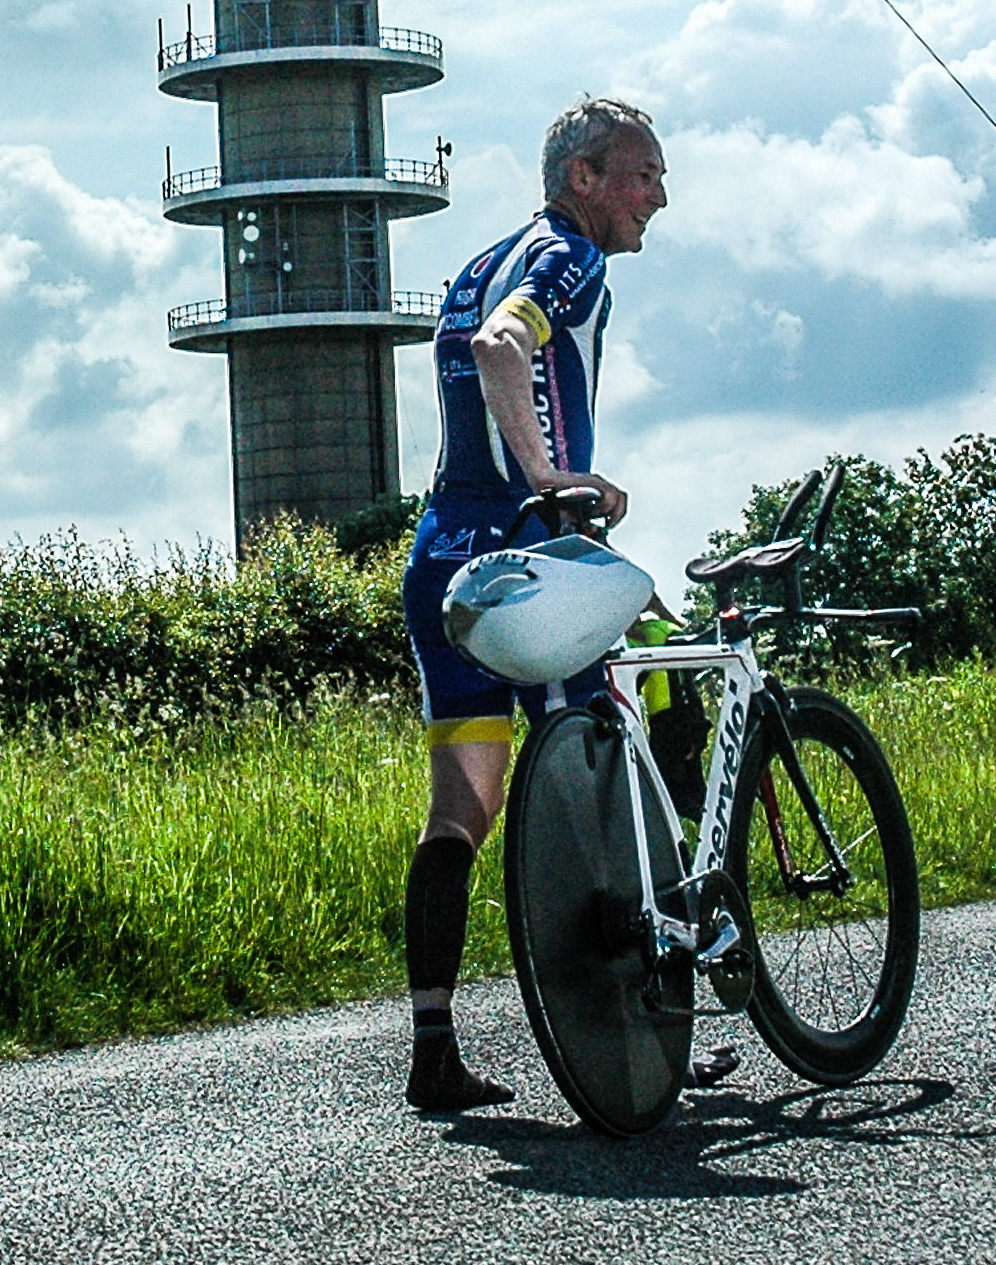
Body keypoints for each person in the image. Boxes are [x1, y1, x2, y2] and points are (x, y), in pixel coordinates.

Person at [398, 98, 668, 1112]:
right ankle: (643, 1021)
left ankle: (432, 1049)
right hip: (526, 557)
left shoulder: (477, 260)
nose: (656, 198)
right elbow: (502, 350)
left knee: (460, 812)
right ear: (583, 178)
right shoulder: (566, 257)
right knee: (602, 754)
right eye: (641, 175)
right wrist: (554, 477)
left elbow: (476, 338)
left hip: (443, 557)